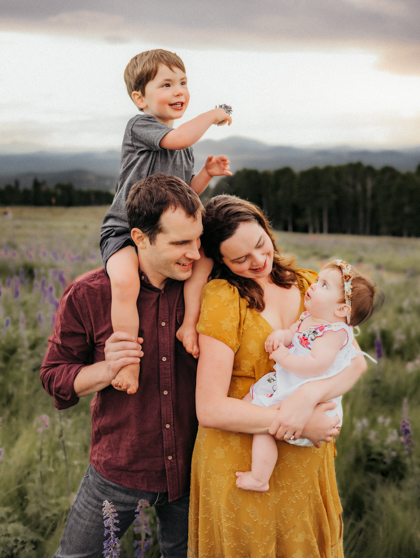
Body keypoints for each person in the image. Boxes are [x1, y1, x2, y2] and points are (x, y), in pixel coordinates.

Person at [188, 195, 368, 558]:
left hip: (304, 467)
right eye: (240, 258)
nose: (258, 261)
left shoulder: (310, 285)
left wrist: (307, 396)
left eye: (260, 244)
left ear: (267, 230)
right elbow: (208, 410)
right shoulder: (224, 297)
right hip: (240, 464)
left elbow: (357, 362)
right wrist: (299, 422)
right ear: (219, 260)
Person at [41, 174, 204, 558]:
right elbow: (53, 375)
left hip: (196, 471)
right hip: (120, 469)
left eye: (198, 240)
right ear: (141, 238)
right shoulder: (89, 295)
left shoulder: (207, 290)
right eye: (181, 243)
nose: (195, 254)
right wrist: (105, 369)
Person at [100, 48, 232, 394]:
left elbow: (186, 194)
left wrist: (205, 173)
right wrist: (213, 114)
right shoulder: (142, 126)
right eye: (167, 84)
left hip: (167, 233)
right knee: (126, 284)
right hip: (126, 231)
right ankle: (128, 362)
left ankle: (188, 324)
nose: (179, 91)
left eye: (183, 82)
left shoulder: (184, 147)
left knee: (202, 262)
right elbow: (180, 136)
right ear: (139, 98)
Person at [236, 259, 379, 492]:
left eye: (324, 285)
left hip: (303, 388)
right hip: (289, 381)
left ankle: (260, 478)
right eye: (318, 280)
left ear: (342, 310)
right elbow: (294, 333)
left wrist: (283, 357)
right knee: (250, 412)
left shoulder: (334, 333)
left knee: (263, 429)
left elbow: (316, 366)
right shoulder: (309, 317)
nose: (312, 285)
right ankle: (243, 427)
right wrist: (282, 336)